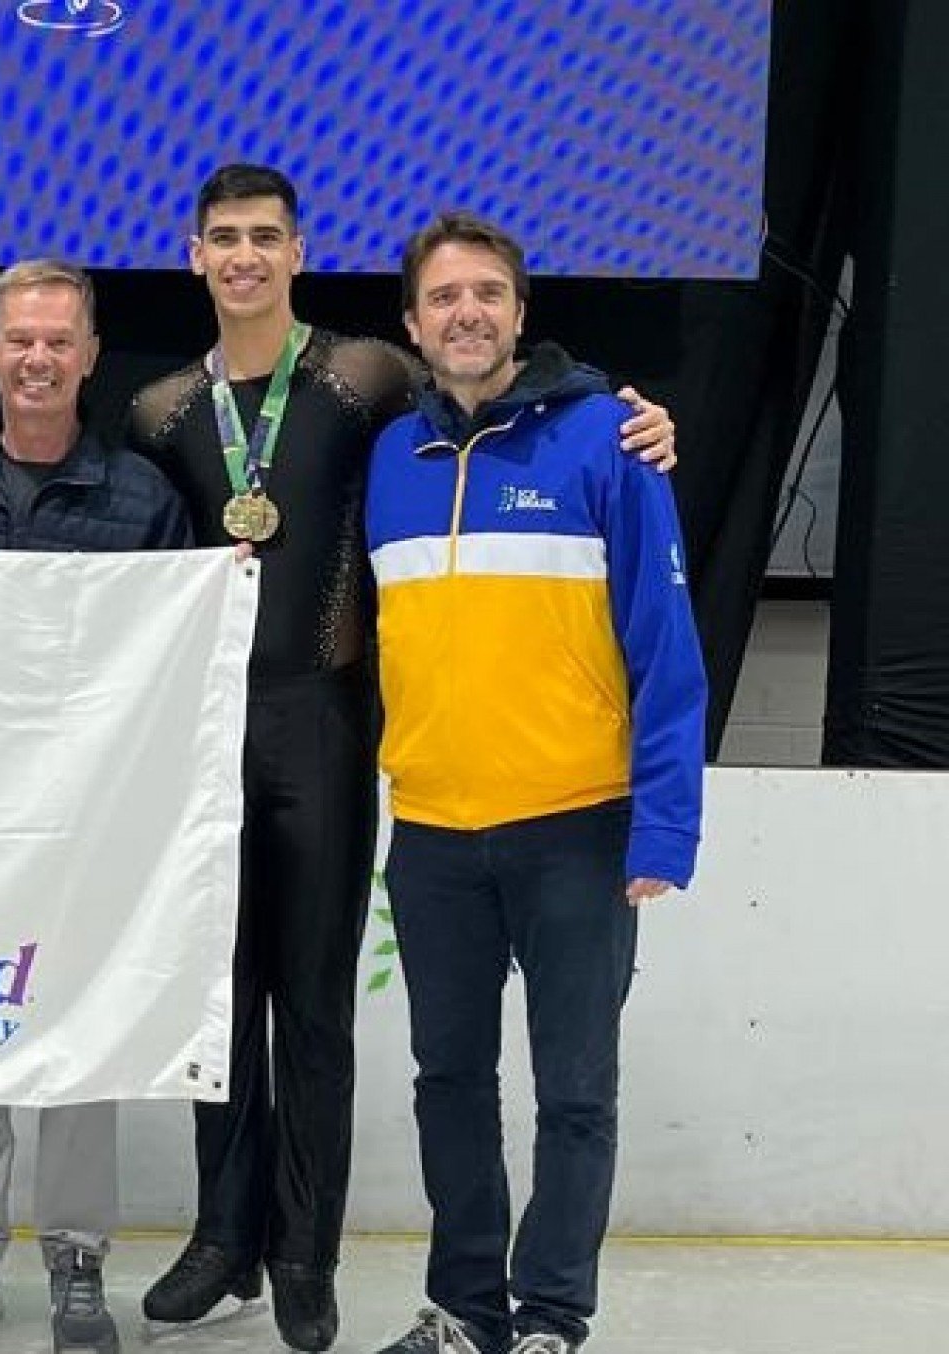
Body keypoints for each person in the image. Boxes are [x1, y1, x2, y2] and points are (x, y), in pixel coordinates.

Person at [124, 164, 677, 1352]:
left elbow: (656, 627)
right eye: (224, 237)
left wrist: (643, 421)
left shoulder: (380, 386)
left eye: (266, 236)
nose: (245, 256)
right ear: (192, 253)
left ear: (301, 251)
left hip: (388, 753)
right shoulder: (176, 413)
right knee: (249, 1019)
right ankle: (248, 1244)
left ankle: (337, 1262)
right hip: (290, 768)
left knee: (344, 1016)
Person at [365, 212, 705, 1354]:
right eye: (445, 298)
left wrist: (664, 828)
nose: (468, 314)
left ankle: (553, 1313)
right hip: (432, 834)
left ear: (520, 312)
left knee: (574, 1093)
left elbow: (666, 643)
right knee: (448, 1083)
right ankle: (466, 1308)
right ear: (414, 325)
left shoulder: (611, 439)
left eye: (488, 295)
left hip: (579, 828)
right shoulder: (390, 458)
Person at [0, 259, 192, 1354]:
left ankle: (78, 1260)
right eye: (19, 339)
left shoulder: (143, 500)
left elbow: (174, 665)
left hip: (90, 827)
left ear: (90, 355)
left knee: (82, 1039)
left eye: (57, 341)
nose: (36, 358)